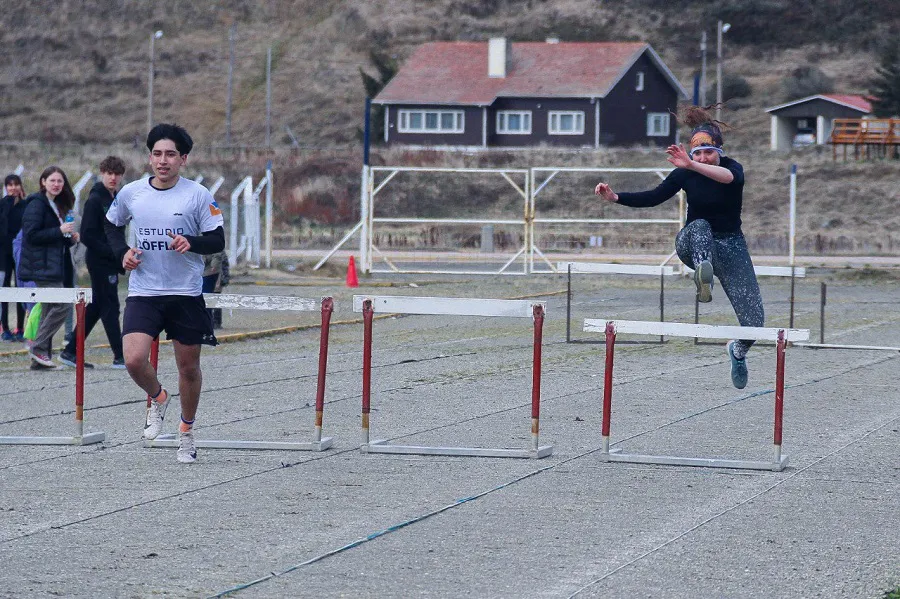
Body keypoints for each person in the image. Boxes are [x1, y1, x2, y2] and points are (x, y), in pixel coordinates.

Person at [594, 105, 763, 390]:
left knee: (756, 323)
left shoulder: (732, 168)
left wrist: (691, 165)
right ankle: (703, 275)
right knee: (701, 226)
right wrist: (615, 197)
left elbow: (728, 179)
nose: (702, 157)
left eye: (708, 152)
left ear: (719, 152)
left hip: (731, 245)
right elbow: (653, 197)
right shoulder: (684, 174)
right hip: (693, 243)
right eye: (697, 153)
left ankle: (737, 351)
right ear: (691, 152)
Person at [105, 123, 225, 463]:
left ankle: (186, 432)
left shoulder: (197, 195)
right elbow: (111, 226)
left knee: (188, 368)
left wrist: (192, 242)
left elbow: (217, 239)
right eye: (157, 154)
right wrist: (122, 254)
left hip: (185, 293)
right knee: (133, 359)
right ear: (149, 157)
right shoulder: (132, 193)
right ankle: (158, 398)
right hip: (144, 290)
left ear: (183, 159)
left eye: (170, 154)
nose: (162, 160)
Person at [58, 157, 127, 369]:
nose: (113, 177)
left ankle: (70, 351)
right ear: (102, 173)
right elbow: (87, 235)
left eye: (117, 174)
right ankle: (120, 356)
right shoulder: (96, 199)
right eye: (109, 173)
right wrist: (112, 252)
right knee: (110, 306)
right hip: (99, 261)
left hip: (110, 261)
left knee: (96, 307)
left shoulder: (115, 198)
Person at [18, 167, 80, 370]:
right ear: (43, 182)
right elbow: (32, 234)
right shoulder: (36, 204)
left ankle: (40, 358)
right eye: (52, 180)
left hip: (54, 265)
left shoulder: (56, 206)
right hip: (40, 266)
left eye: (60, 181)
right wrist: (59, 230)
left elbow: (55, 238)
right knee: (62, 305)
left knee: (47, 309)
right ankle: (37, 347)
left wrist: (69, 238)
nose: (56, 184)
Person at [0, 174, 27, 341]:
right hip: (3, 253)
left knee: (20, 289)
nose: (13, 188)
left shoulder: (25, 205)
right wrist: (8, 203)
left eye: (16, 184)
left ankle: (20, 327)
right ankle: (4, 328)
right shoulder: (2, 204)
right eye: (10, 185)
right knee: (4, 289)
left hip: (19, 252)